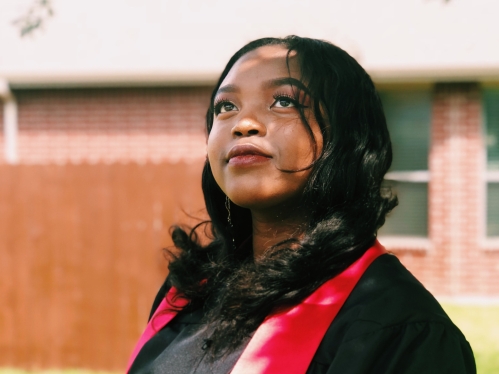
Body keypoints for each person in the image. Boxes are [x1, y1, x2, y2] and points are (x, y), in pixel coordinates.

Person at [127, 36, 476, 373]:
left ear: (347, 135)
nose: (243, 124)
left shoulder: (401, 329)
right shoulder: (187, 293)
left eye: (284, 101)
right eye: (226, 107)